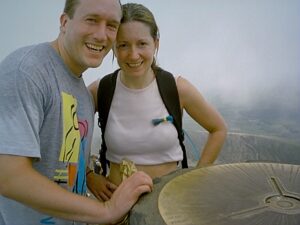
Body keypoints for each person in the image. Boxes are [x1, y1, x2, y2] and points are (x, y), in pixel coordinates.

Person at [0, 0, 153, 224]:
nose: (102, 35)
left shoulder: (82, 92)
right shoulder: (26, 71)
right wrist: (107, 210)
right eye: (91, 20)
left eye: (111, 25)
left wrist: (89, 176)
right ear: (64, 22)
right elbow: (9, 175)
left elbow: (66, 158)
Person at [88, 2, 227, 201]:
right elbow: (66, 133)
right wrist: (88, 176)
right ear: (113, 48)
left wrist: (196, 178)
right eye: (123, 45)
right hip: (115, 208)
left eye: (142, 44)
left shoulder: (177, 89)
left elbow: (218, 129)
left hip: (169, 206)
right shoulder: (100, 90)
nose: (133, 54)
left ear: (156, 43)